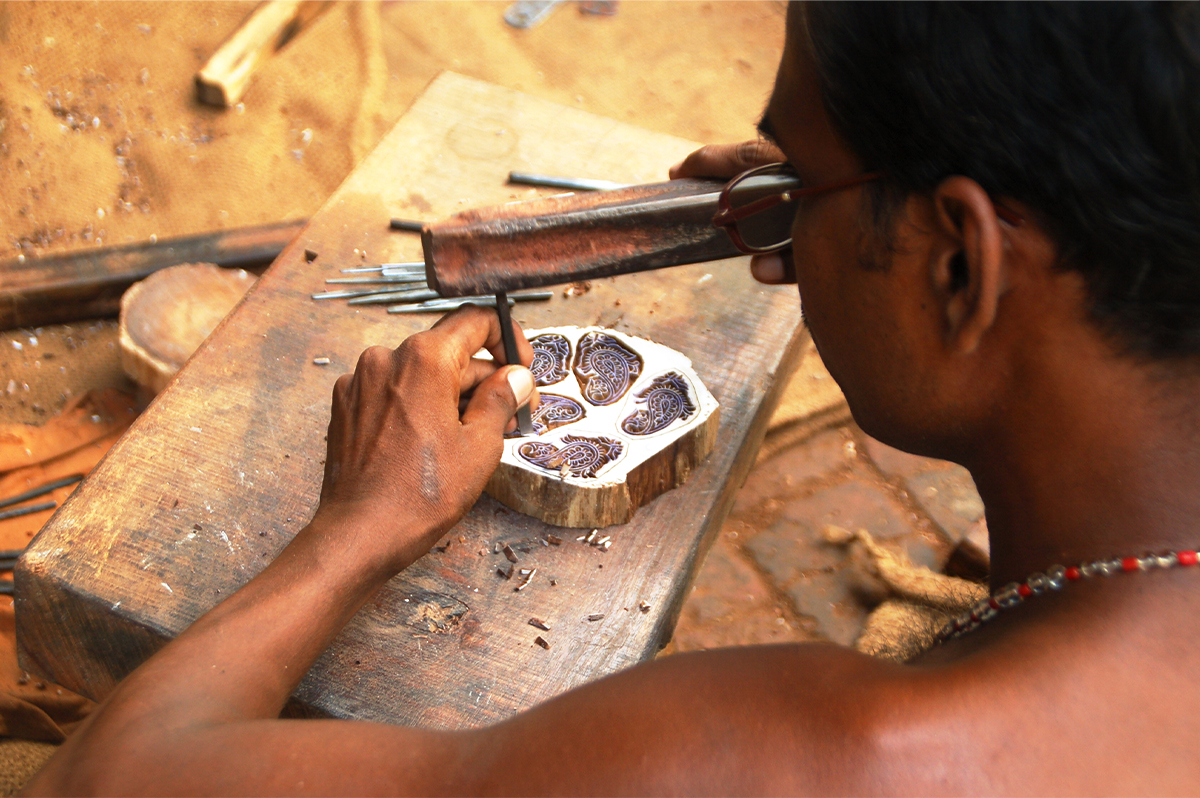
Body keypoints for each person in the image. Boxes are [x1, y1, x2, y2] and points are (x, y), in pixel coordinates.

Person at [26, 2, 1200, 793]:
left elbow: (125, 774)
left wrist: (351, 534)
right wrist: (846, 214)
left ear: (957, 265)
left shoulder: (828, 758)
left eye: (804, 168)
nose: (777, 210)